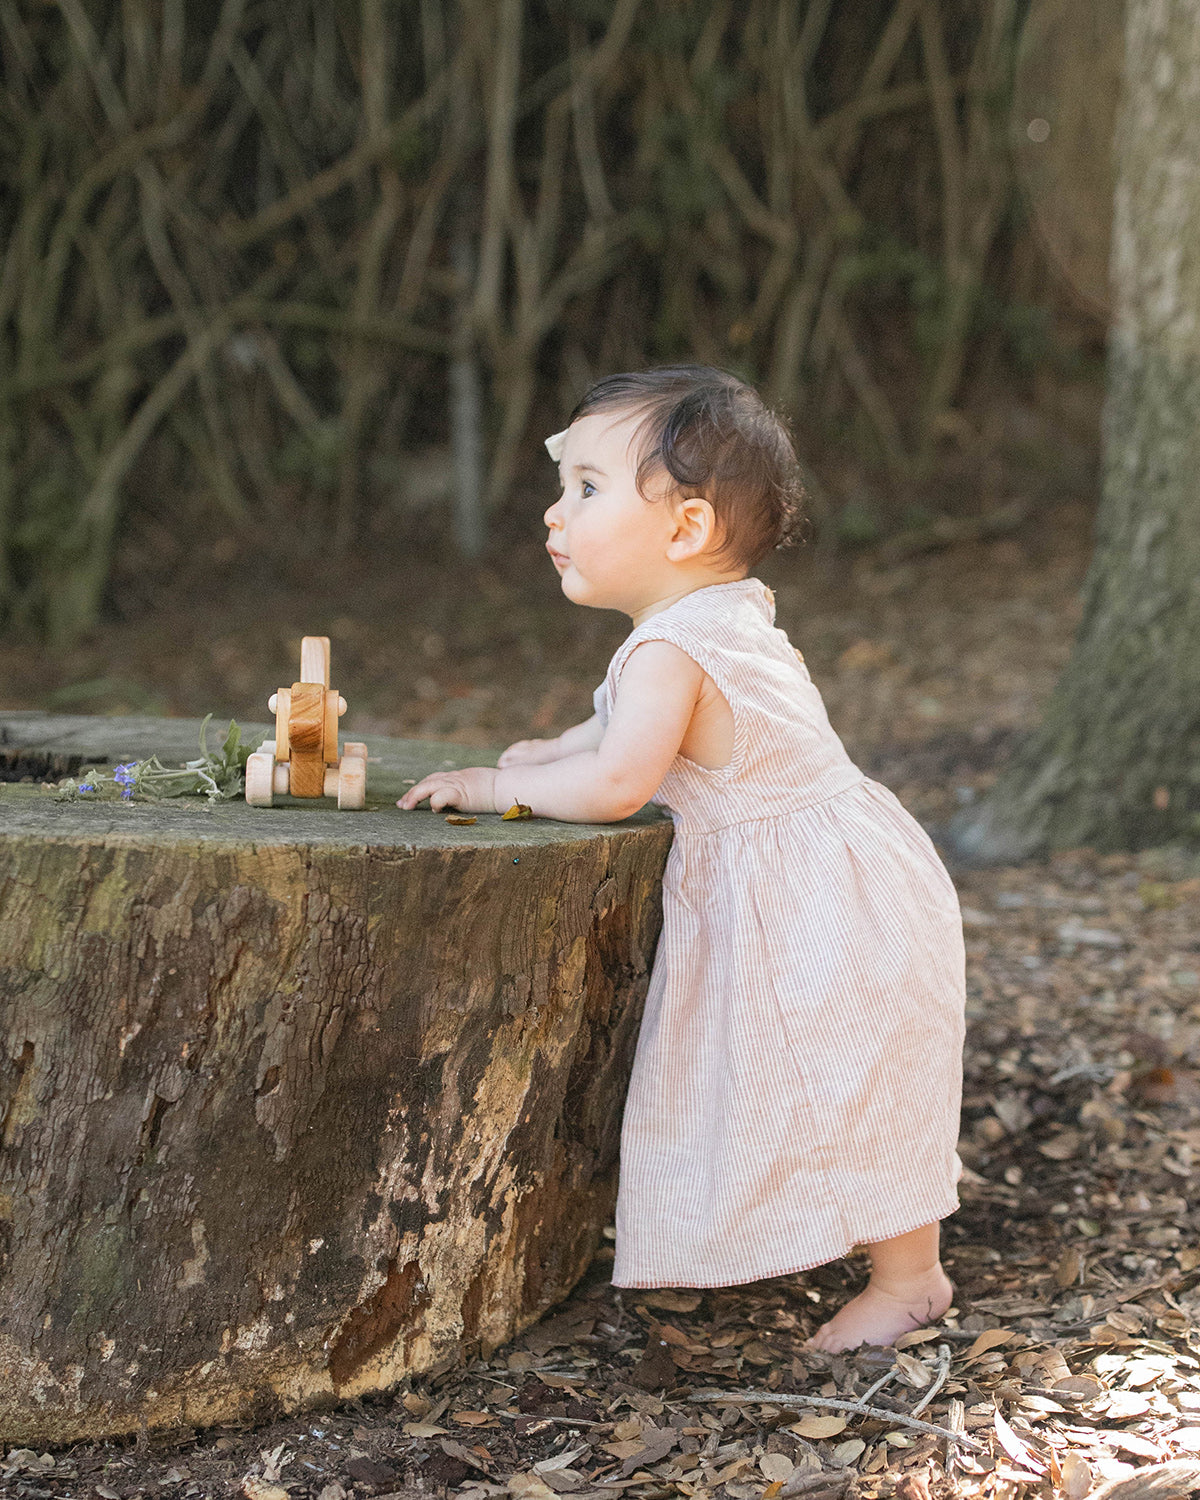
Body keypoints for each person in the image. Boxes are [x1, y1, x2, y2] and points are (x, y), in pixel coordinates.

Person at [398, 364, 966, 1352]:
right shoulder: (715, 614)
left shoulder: (675, 648)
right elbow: (619, 727)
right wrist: (556, 747)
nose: (553, 511)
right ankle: (843, 1235)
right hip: (841, 868)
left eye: (584, 488)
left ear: (687, 530)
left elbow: (623, 781)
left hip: (819, 901)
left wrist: (501, 787)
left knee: (849, 1074)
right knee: (828, 1071)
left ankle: (912, 1278)